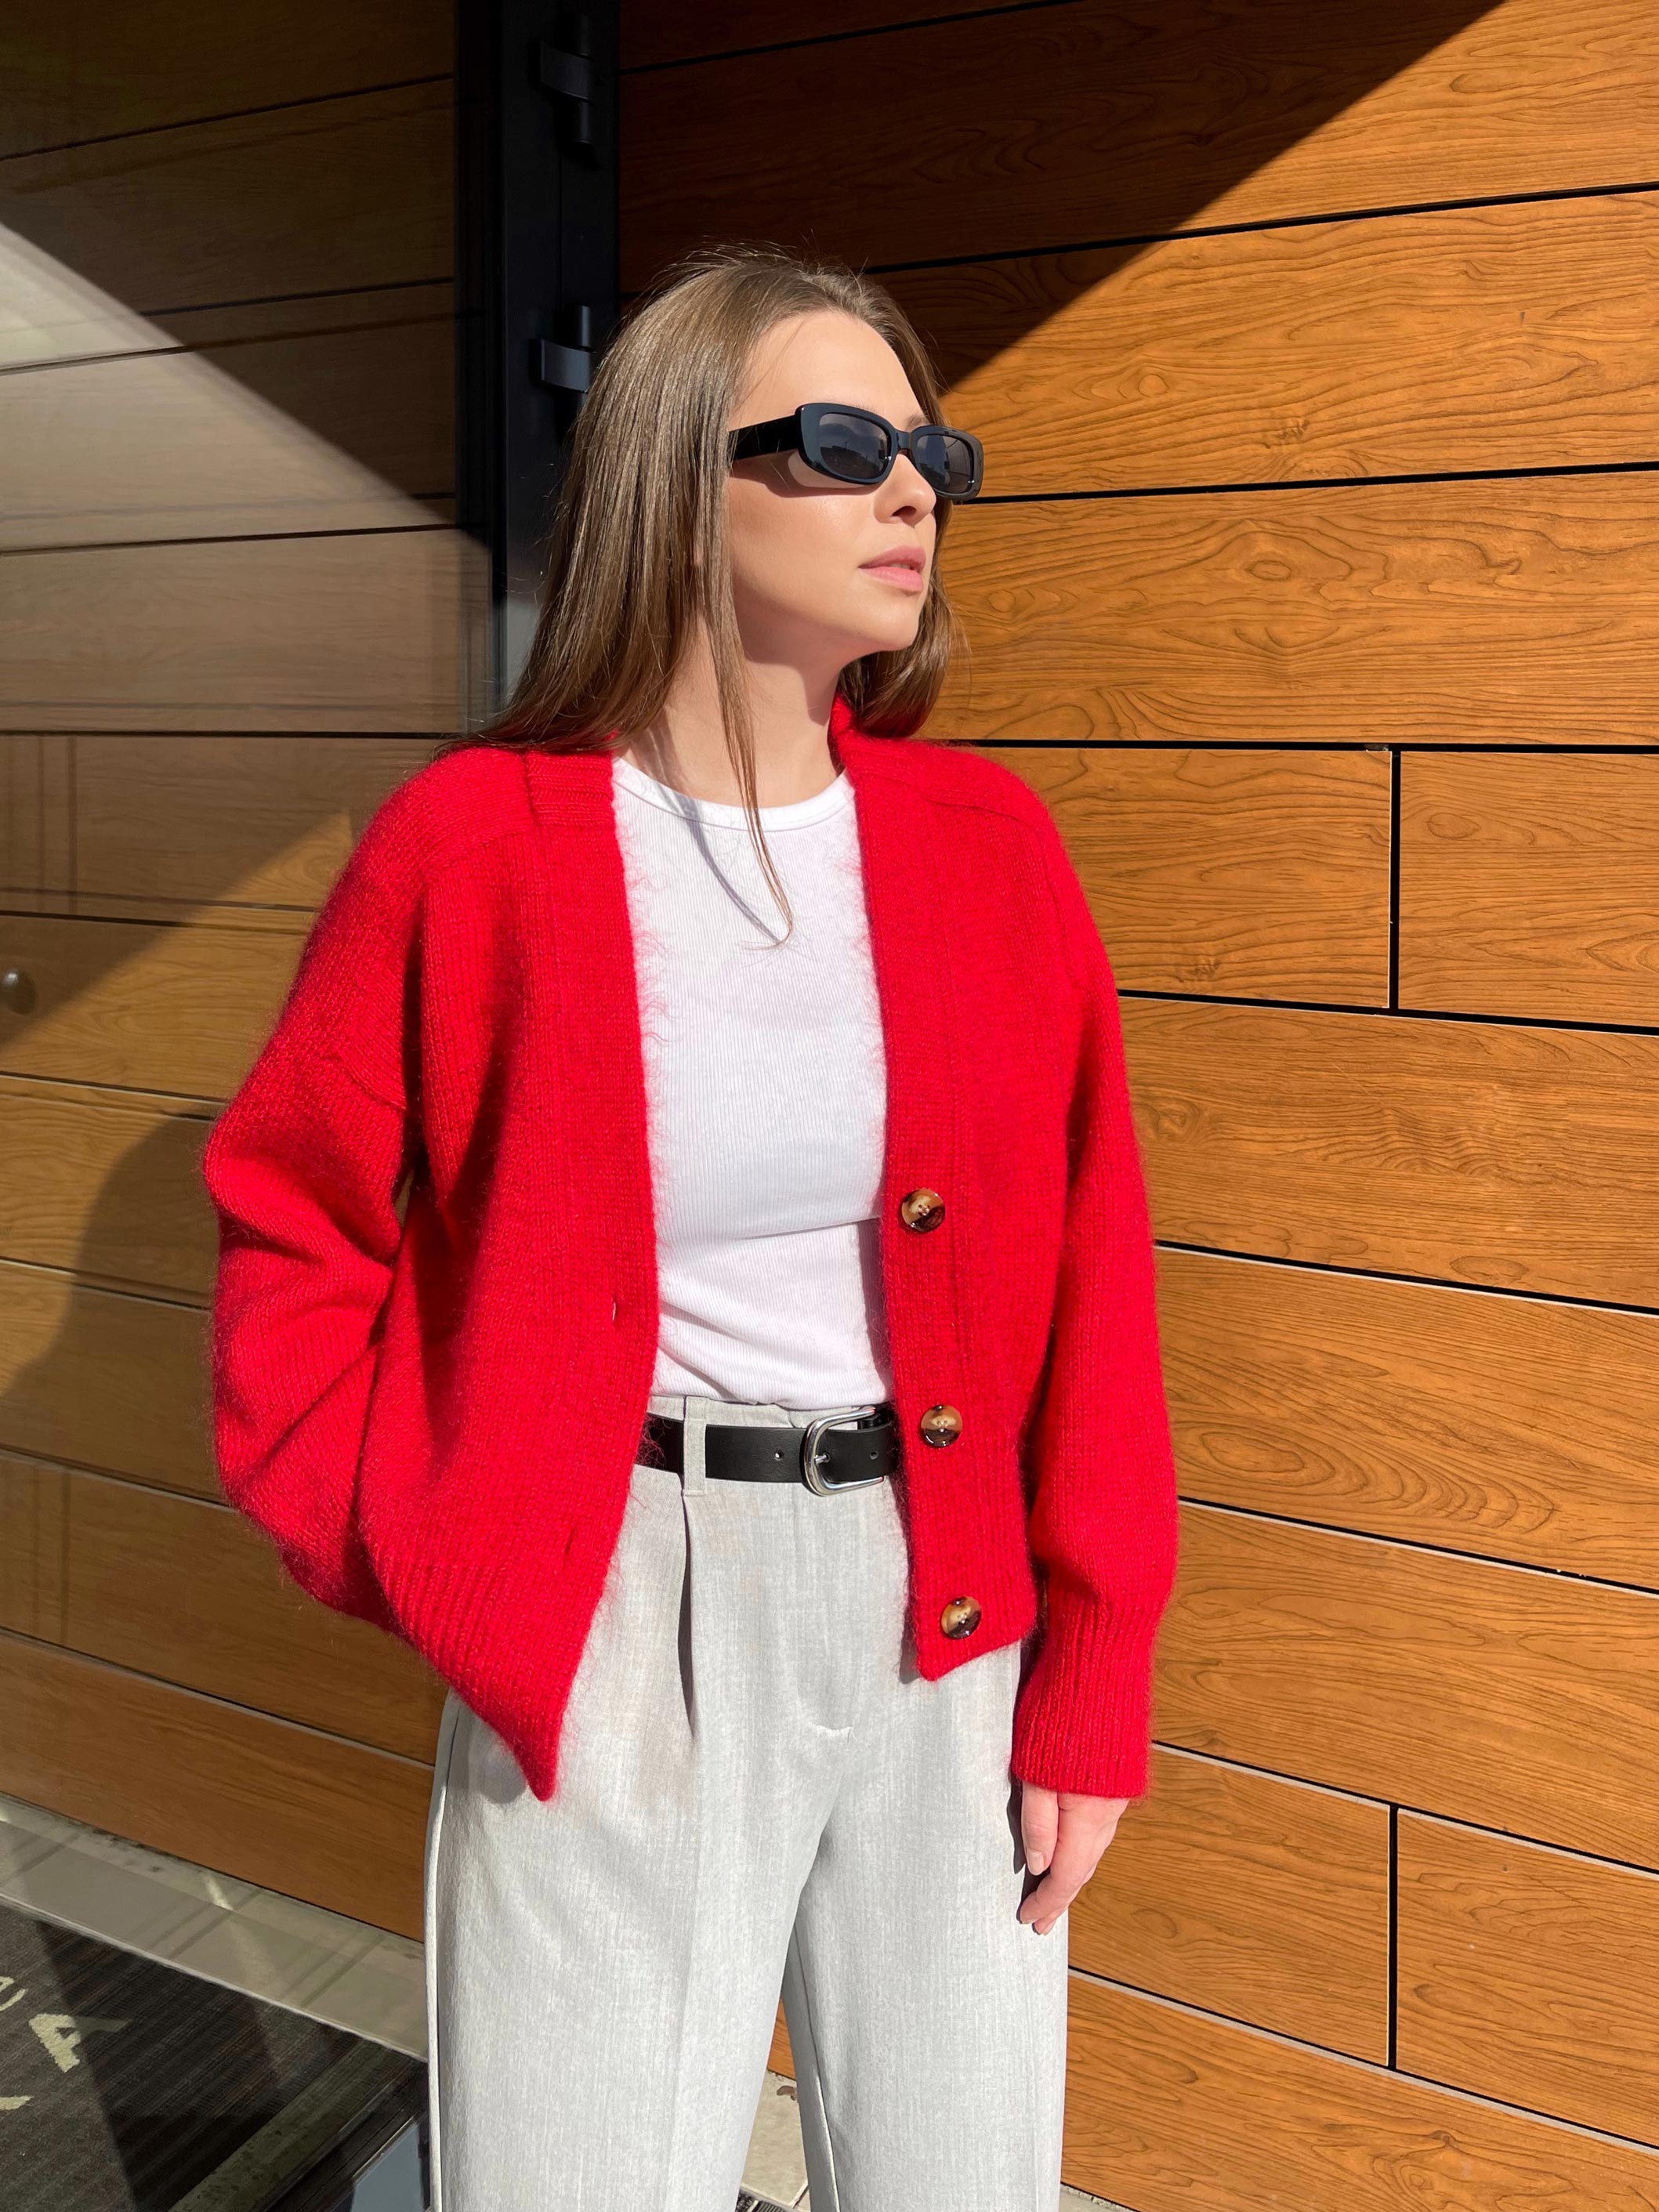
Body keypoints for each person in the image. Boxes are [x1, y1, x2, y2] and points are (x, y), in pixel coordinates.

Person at [200, 240, 1180, 2212]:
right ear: (672, 476)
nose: (912, 489)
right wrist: (439, 1539)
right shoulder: (473, 849)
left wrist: (1091, 1675)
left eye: (930, 448)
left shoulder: (992, 857)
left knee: (952, 2182)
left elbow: (1091, 1288)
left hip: (946, 1611)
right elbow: (292, 1228)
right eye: (839, 442)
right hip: (618, 1602)